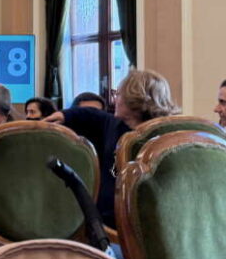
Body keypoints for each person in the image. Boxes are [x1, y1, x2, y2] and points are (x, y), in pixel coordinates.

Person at [47, 69, 178, 225]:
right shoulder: (115, 124)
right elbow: (91, 114)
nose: (115, 99)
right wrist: (65, 115)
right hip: (108, 216)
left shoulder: (165, 134)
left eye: (118, 94)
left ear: (134, 99)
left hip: (149, 219)